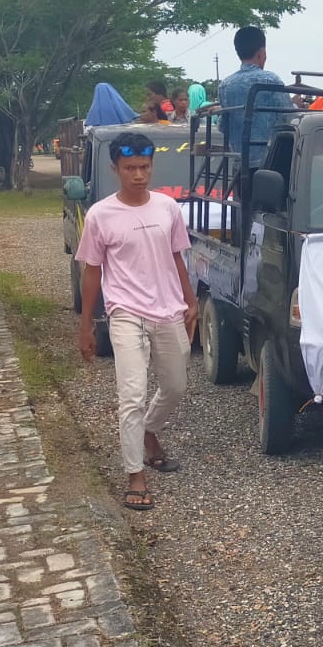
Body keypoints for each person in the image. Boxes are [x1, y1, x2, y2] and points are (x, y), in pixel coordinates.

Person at [75, 131, 199, 512]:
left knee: (175, 386)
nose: (139, 175)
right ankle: (135, 475)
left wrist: (190, 301)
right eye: (130, 168)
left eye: (144, 167)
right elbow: (92, 271)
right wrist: (86, 325)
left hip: (168, 310)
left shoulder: (167, 208)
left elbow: (177, 257)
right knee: (131, 395)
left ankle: (148, 431)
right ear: (115, 169)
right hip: (125, 314)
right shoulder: (100, 214)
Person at [217, 26, 290, 167]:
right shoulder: (271, 80)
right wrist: (294, 106)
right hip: (271, 162)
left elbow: (224, 127)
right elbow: (287, 119)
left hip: (240, 162)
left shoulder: (225, 85)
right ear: (261, 53)